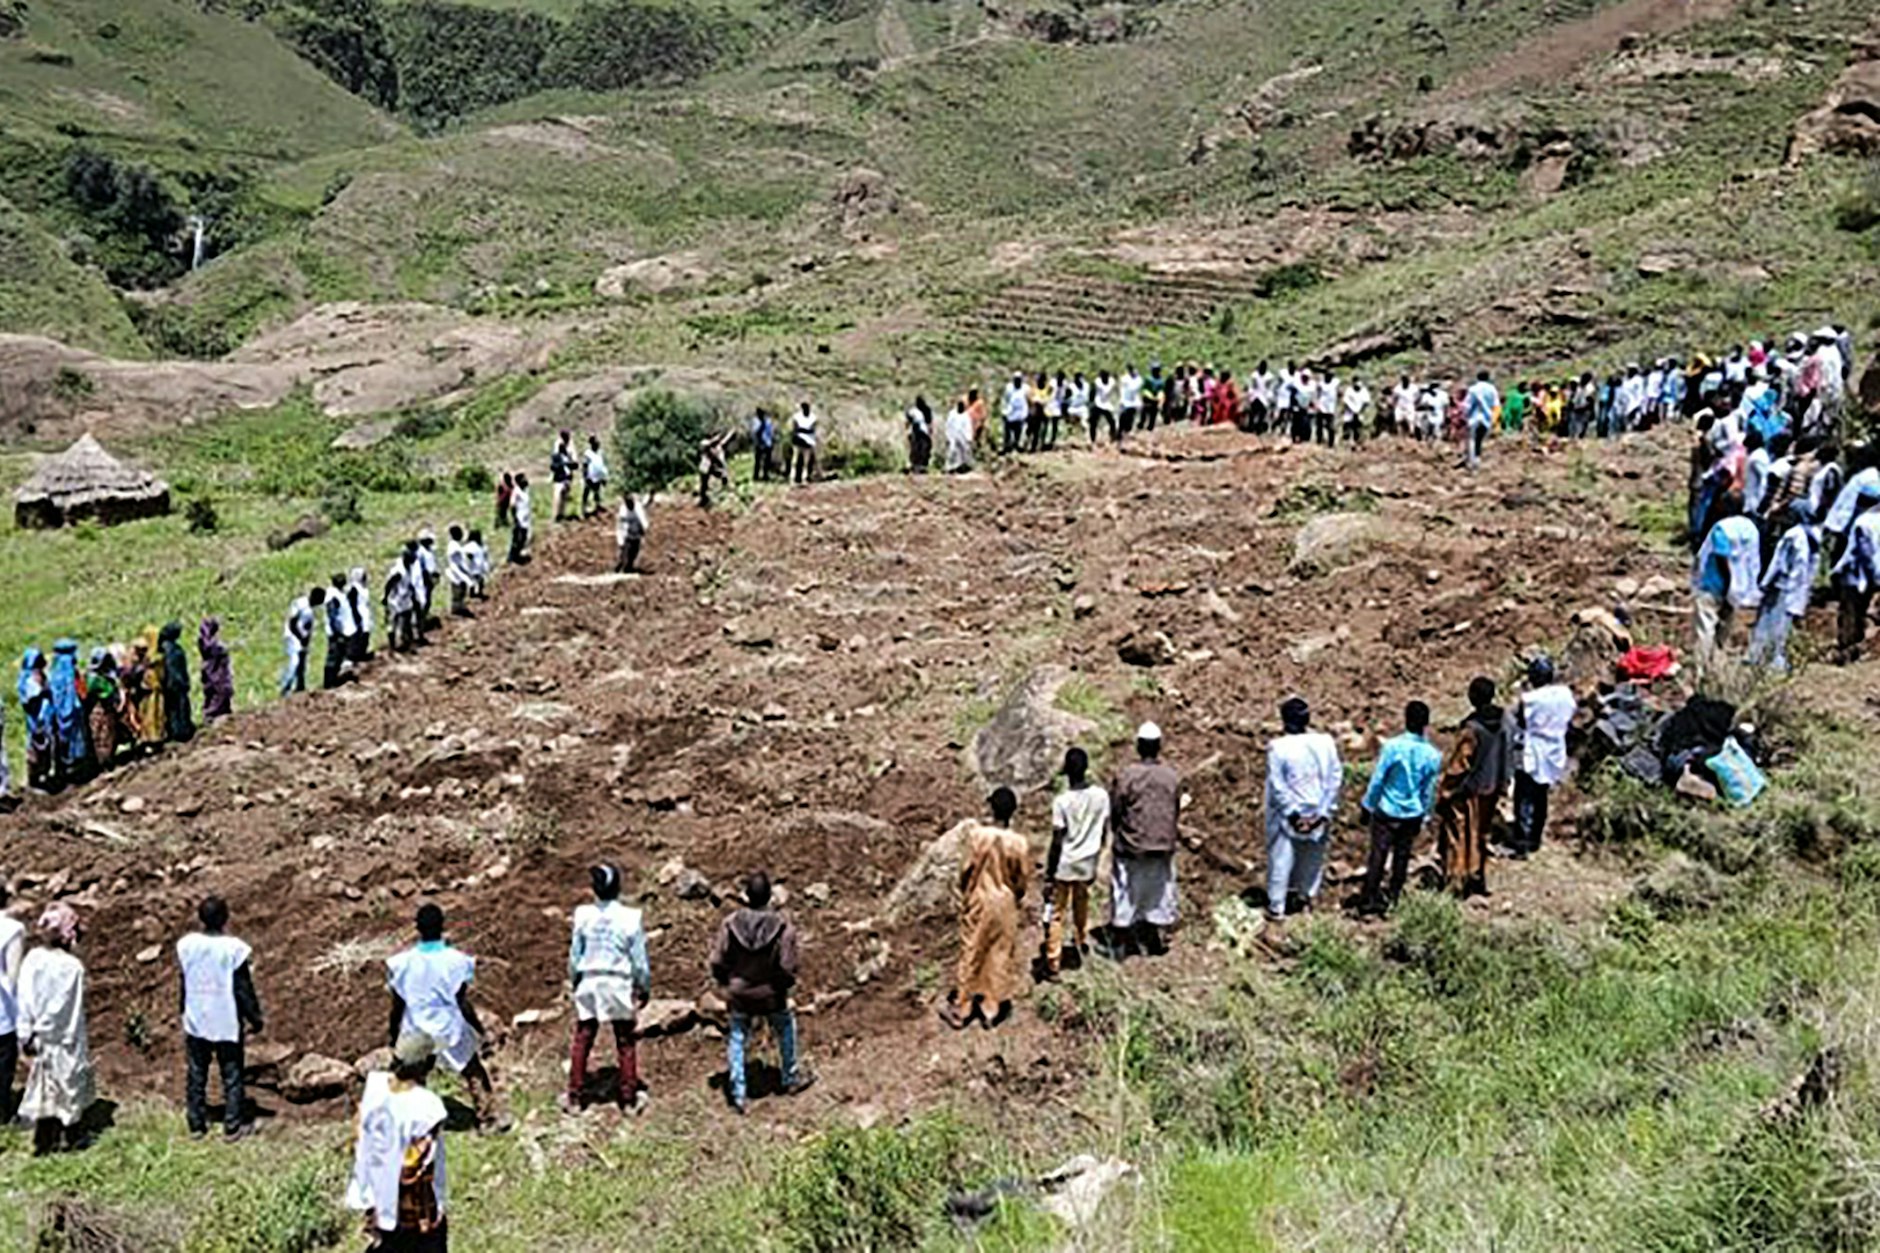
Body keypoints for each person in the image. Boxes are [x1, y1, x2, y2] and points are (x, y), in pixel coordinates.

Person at [386, 905, 499, 1128]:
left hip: (417, 1028)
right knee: (473, 1070)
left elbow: (397, 1005)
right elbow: (462, 1002)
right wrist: (479, 1029)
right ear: (442, 926)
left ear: (416, 928)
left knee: (409, 1077)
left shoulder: (401, 964)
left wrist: (393, 1033)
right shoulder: (457, 961)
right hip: (449, 1027)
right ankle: (488, 1119)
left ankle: (411, 1123)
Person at [709, 872, 813, 1114]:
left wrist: (727, 981)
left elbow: (716, 961)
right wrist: (782, 986)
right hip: (770, 994)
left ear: (746, 896)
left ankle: (738, 1092)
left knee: (737, 1036)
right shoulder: (783, 927)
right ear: (769, 897)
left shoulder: (730, 923)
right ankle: (790, 1077)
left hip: (739, 994)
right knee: (785, 1026)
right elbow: (788, 967)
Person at [347, 1032, 450, 1251]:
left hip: (375, 1194)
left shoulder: (375, 1086)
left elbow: (359, 1131)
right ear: (428, 1064)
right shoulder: (428, 1106)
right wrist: (426, 1213)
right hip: (409, 1205)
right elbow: (415, 1165)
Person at [563, 864, 651, 1115]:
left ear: (595, 889)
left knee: (583, 1037)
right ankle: (629, 1099)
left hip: (590, 979)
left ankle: (575, 1097)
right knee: (625, 1040)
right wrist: (643, 986)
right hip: (618, 982)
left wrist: (574, 980)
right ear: (618, 888)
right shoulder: (631, 917)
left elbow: (574, 956)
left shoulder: (583, 915)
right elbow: (639, 961)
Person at [940, 787, 1030, 1029]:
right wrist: (1016, 897)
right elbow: (1022, 879)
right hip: (1006, 901)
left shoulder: (977, 836)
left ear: (991, 808)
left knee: (972, 950)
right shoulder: (1019, 843)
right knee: (1000, 952)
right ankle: (991, 1007)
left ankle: (963, 1006)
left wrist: (964, 892)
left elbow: (966, 869)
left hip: (981, 898)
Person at [177, 895, 262, 1140]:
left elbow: (184, 979)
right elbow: (243, 988)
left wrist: (183, 1006)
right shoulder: (233, 949)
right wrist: (255, 1018)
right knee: (232, 1072)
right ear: (225, 917)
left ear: (200, 918)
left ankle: (196, 1124)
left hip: (196, 1016)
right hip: (225, 1018)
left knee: (196, 1072)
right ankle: (232, 1126)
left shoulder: (188, 945)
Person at [18, 903, 94, 1155]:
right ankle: (72, 1138)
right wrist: (44, 1028)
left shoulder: (33, 958)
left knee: (43, 1087)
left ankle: (44, 1141)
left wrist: (28, 1030)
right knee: (68, 1084)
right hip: (63, 1036)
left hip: (40, 1035)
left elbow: (25, 996)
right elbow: (63, 1005)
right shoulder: (72, 967)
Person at [1356, 701, 1442, 916]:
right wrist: (1425, 814)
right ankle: (1394, 899)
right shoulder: (1432, 755)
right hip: (1412, 813)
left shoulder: (1392, 747)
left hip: (1387, 810)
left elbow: (1378, 780)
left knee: (1378, 855)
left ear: (1406, 720)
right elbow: (1428, 790)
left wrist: (1367, 805)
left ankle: (1368, 900)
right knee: (1401, 858)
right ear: (1426, 723)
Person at [1263, 698, 1341, 925]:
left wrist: (1294, 815)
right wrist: (1322, 813)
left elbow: (1278, 786)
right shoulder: (1325, 743)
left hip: (1288, 817)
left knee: (1281, 860)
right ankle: (1305, 899)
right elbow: (1334, 778)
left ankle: (1277, 908)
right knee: (1313, 860)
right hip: (1318, 811)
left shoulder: (1278, 747)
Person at [1108, 723, 1182, 957]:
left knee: (1125, 889)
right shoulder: (1172, 777)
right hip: (1163, 843)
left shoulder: (1126, 776)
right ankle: (1156, 935)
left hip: (1132, 844)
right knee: (1161, 890)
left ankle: (1120, 941)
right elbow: (1175, 809)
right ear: (1159, 747)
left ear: (1138, 747)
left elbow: (1116, 809)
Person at [1435, 677, 1512, 897]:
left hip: (1468, 791)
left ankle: (1456, 882)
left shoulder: (1472, 728)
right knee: (1481, 834)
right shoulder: (1503, 721)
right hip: (1491, 787)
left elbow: (1460, 764)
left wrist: (1445, 791)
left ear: (1474, 697)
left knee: (1459, 835)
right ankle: (1478, 876)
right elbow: (1506, 754)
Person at [1044, 747, 1108, 978]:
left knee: (1057, 913)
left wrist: (1049, 873)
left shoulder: (1062, 802)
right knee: (1082, 903)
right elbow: (1104, 830)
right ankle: (1081, 942)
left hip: (1065, 863)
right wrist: (1097, 855)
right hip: (1088, 861)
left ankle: (1053, 961)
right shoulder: (1101, 796)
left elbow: (1057, 840)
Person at [1507, 656, 1576, 859]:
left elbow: (1519, 721)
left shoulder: (1529, 700)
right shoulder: (1564, 694)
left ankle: (1522, 843)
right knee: (1541, 795)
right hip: (1554, 748)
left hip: (1531, 748)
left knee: (1524, 795)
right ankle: (1535, 839)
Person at [1692, 502, 1763, 671]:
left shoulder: (1721, 529)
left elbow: (1721, 557)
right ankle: (1718, 666)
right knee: (1724, 629)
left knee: (1705, 628)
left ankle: (1702, 668)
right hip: (1737, 589)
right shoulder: (1750, 529)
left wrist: (1728, 582)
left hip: (1712, 584)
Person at [1752, 504, 1819, 673]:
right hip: (1796, 587)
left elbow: (1779, 563)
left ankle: (1763, 657)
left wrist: (1766, 582)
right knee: (1782, 624)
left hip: (1783, 585)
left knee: (1771, 622)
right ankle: (1770, 658)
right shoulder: (1812, 535)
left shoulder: (1793, 535)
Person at [1832, 498, 1880, 664]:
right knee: (1858, 614)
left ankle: (1851, 651)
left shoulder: (1865, 521)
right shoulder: (1870, 521)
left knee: (1853, 614)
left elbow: (1867, 553)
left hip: (1862, 576)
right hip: (1865, 576)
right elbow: (1868, 554)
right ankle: (1853, 652)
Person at [47, 639, 88, 785]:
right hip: (73, 716)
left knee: (60, 744)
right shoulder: (72, 673)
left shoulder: (52, 673)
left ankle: (62, 773)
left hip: (56, 718)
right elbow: (81, 693)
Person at [0, 882, 24, 1120]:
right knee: (3, 1066)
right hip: (2, 1011)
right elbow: (13, 976)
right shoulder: (11, 929)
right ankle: (4, 1114)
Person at [84, 649, 129, 770]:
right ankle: (104, 761)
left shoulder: (90, 675)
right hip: (102, 710)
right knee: (104, 735)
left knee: (100, 735)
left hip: (97, 711)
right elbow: (107, 693)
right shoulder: (95, 679)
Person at [157, 622, 194, 743]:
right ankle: (180, 731)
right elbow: (173, 668)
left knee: (174, 708)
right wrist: (181, 682)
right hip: (176, 683)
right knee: (179, 707)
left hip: (171, 683)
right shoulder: (171, 650)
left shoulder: (164, 648)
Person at [280, 590, 318, 696]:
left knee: (302, 663)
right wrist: (300, 637)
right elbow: (292, 622)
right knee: (294, 662)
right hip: (293, 637)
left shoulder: (310, 609)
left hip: (302, 639)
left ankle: (300, 686)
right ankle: (285, 688)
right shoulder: (301, 604)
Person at [322, 577, 355, 690]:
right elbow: (332, 616)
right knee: (333, 658)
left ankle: (334, 681)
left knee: (338, 657)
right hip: (337, 633)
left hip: (342, 631)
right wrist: (338, 632)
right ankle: (328, 683)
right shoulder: (332, 596)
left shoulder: (339, 594)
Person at [198, 618, 233, 720]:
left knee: (211, 694)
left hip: (208, 672)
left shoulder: (203, 642)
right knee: (220, 694)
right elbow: (221, 650)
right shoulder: (215, 646)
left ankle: (210, 714)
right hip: (218, 675)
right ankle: (214, 714)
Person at [1464, 370, 1499, 469]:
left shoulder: (1473, 389)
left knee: (1472, 440)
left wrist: (1465, 415)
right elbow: (1496, 405)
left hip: (1474, 418)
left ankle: (1472, 462)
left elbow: (1468, 405)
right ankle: (1478, 459)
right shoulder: (1492, 389)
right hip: (1487, 418)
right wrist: (1494, 419)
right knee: (1480, 440)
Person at [384, 552, 417, 654]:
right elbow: (389, 584)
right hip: (395, 601)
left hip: (405, 599)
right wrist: (385, 597)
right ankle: (392, 646)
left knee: (406, 622)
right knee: (392, 624)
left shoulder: (408, 568)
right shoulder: (398, 571)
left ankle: (406, 644)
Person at [698, 428, 734, 508]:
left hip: (713, 467)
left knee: (724, 475)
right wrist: (716, 439)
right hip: (705, 466)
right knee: (704, 484)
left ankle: (725, 489)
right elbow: (707, 444)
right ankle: (703, 498)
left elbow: (725, 441)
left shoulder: (718, 446)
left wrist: (730, 433)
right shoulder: (705, 443)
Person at [348, 567, 377, 663]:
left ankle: (362, 653)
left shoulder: (363, 588)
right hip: (359, 615)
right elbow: (352, 603)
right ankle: (356, 655)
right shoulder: (354, 589)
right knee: (359, 635)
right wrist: (356, 616)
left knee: (365, 634)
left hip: (365, 614)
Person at [445, 527, 475, 619]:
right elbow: (454, 564)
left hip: (460, 573)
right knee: (457, 593)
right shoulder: (453, 547)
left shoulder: (456, 545)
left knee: (461, 592)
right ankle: (455, 611)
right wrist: (463, 575)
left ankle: (460, 608)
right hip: (456, 574)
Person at [414, 531, 440, 635]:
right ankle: (420, 622)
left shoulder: (427, 551)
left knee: (426, 600)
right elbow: (427, 569)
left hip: (426, 579)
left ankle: (422, 620)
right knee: (424, 600)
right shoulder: (423, 552)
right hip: (424, 579)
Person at [615, 493, 649, 574]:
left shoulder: (638, 508)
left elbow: (643, 520)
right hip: (626, 534)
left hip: (636, 533)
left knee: (634, 551)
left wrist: (643, 530)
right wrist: (620, 538)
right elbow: (619, 525)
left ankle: (629, 566)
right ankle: (623, 567)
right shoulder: (623, 511)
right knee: (625, 551)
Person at [550, 430, 577, 522]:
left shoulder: (570, 450)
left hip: (567, 476)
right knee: (557, 496)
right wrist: (562, 464)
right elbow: (553, 466)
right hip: (559, 477)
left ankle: (562, 514)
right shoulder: (557, 453)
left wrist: (569, 464)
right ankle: (556, 515)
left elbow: (575, 464)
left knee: (564, 496)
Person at [791, 402, 820, 484]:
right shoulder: (797, 417)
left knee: (806, 461)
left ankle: (805, 477)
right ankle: (793, 477)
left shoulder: (813, 418)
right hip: (799, 439)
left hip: (809, 440)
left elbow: (813, 429)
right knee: (795, 460)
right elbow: (795, 428)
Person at [581, 435, 609, 518]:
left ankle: (598, 506)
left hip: (598, 476)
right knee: (587, 492)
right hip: (590, 476)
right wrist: (585, 476)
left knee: (597, 491)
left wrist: (604, 476)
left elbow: (602, 464)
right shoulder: (587, 453)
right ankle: (584, 509)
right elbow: (585, 465)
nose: (598, 444)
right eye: (596, 443)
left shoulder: (600, 452)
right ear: (592, 444)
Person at [508, 473, 533, 565]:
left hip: (526, 518)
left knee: (524, 538)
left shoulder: (526, 491)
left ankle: (518, 556)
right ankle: (512, 558)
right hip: (519, 518)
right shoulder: (516, 491)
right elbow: (512, 505)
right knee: (517, 539)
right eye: (523, 479)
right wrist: (515, 519)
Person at [944, 399, 974, 474]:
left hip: (963, 436)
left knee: (964, 452)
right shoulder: (952, 414)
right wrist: (947, 435)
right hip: (953, 435)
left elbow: (968, 427)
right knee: (952, 451)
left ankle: (962, 466)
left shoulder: (966, 415)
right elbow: (948, 424)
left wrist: (969, 437)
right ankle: (949, 467)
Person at [1001, 372, 1029, 455]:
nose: (1017, 381)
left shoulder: (1025, 388)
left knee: (1018, 432)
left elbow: (1028, 400)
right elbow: (1005, 400)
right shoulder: (1009, 388)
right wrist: (1004, 411)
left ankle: (1016, 447)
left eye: (1019, 380)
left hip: (1020, 414)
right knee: (1007, 433)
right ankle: (1007, 447)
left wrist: (1027, 413)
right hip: (1010, 413)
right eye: (1016, 379)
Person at [905, 397, 934, 473]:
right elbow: (929, 423)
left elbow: (907, 422)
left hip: (915, 433)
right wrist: (930, 431)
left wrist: (907, 431)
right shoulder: (926, 410)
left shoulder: (913, 411)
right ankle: (921, 466)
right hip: (923, 432)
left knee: (915, 450)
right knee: (923, 449)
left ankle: (915, 465)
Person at [1342, 376, 1372, 446]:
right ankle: (1347, 443)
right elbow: (1346, 402)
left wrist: (1359, 411)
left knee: (1358, 429)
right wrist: (1353, 411)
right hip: (1349, 413)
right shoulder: (1349, 390)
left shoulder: (1364, 391)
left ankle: (1358, 442)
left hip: (1359, 413)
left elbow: (1366, 402)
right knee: (1348, 429)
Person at [752, 408, 778, 483]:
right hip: (759, 444)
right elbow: (756, 432)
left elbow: (770, 432)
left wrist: (773, 440)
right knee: (758, 461)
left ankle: (765, 475)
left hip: (767, 443)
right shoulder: (756, 421)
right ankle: (756, 476)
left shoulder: (768, 421)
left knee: (767, 461)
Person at [1118, 364, 1143, 438]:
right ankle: (1120, 431)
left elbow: (1135, 389)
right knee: (1123, 417)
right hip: (1125, 401)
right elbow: (1122, 389)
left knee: (1130, 417)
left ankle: (1127, 432)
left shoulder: (1139, 379)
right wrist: (1121, 400)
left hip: (1134, 402)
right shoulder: (1124, 379)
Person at [462, 537, 491, 601]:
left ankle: (473, 594)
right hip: (476, 568)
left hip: (474, 568)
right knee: (478, 581)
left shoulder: (473, 546)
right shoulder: (476, 546)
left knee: (475, 581)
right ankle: (475, 594)